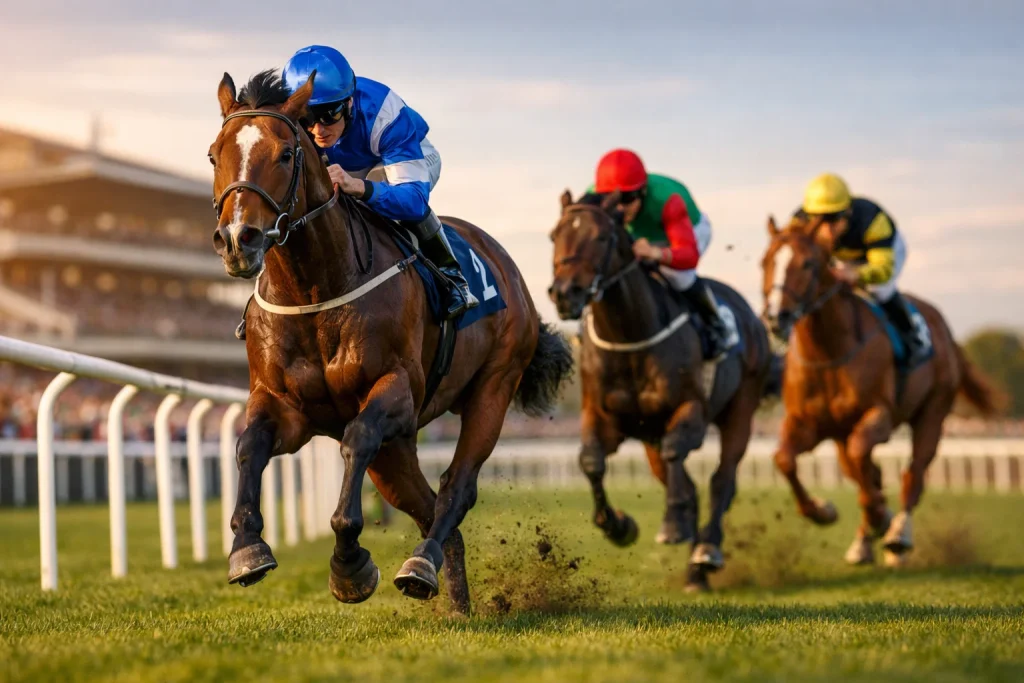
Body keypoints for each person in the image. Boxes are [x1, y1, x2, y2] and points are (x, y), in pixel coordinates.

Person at [234, 45, 477, 340]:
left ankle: (451, 277)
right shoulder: (294, 122)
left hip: (404, 159)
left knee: (380, 200)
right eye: (308, 118)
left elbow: (413, 201)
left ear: (349, 103)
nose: (319, 129)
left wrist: (360, 187)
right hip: (345, 165)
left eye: (329, 114)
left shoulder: (384, 112)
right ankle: (262, 296)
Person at [590, 149, 733, 360]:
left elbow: (688, 256)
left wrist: (656, 253)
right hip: (641, 234)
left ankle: (718, 323)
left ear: (643, 192)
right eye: (612, 199)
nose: (620, 208)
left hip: (687, 232)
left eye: (627, 198)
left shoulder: (668, 200)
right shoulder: (594, 196)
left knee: (677, 276)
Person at [798, 172, 927, 365]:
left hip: (882, 254)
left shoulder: (873, 222)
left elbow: (882, 270)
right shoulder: (799, 222)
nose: (826, 229)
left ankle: (911, 336)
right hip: (842, 258)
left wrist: (855, 274)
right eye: (818, 219)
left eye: (833, 219)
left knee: (879, 290)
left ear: (847, 212)